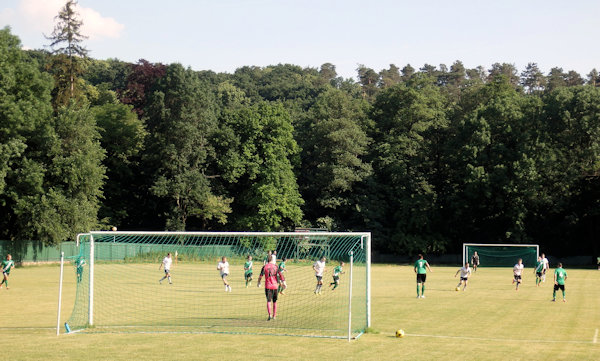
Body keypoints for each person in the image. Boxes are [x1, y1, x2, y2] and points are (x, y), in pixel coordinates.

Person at [257, 254, 285, 321]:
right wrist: (283, 282)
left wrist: (259, 282)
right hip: (275, 286)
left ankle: (269, 314)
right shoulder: (275, 266)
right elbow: (281, 275)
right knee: (275, 301)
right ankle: (274, 315)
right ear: (272, 259)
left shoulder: (264, 267)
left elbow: (260, 276)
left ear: (267, 259)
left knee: (269, 301)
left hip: (268, 286)